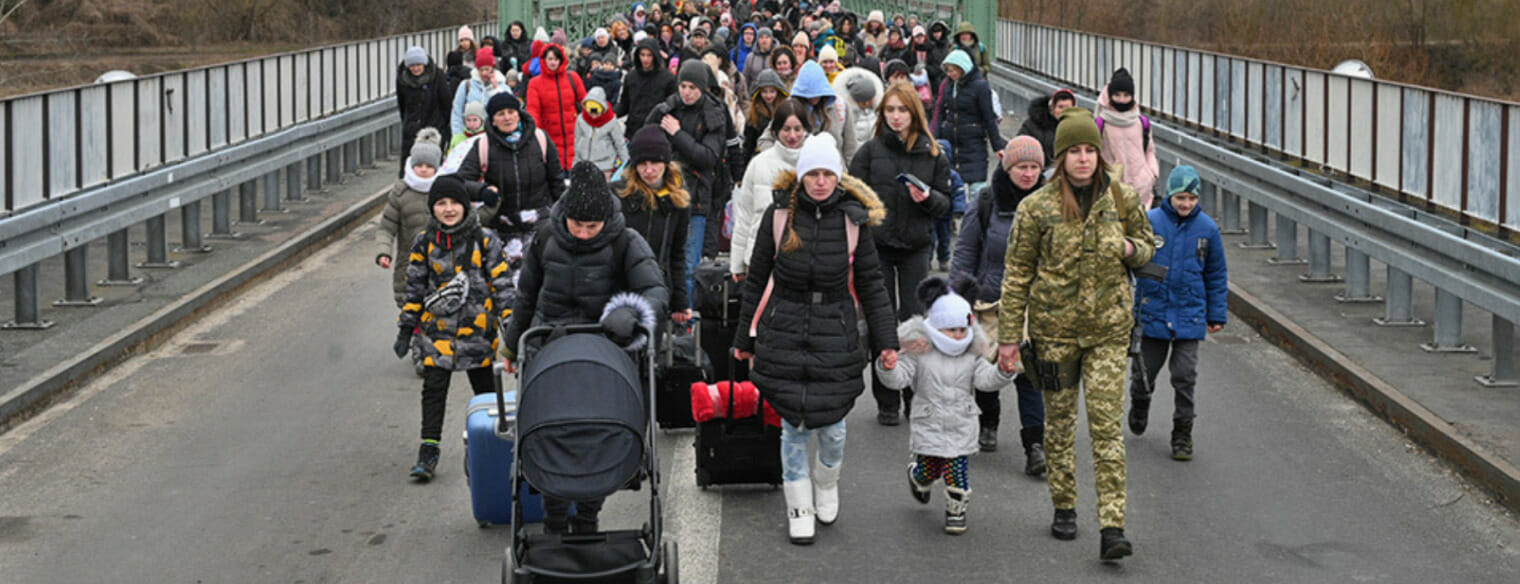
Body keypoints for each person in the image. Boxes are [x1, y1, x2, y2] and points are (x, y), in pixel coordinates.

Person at [995, 108, 1155, 560]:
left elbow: (1148, 249)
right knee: (1060, 427)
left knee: (1106, 430)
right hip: (1054, 333)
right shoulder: (1037, 208)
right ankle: (1065, 505)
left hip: (1107, 331)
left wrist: (1128, 247)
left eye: (1090, 150)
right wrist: (1009, 338)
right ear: (1060, 157)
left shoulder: (1120, 199)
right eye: (1074, 152)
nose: (1083, 159)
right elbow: (1017, 275)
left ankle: (1112, 526)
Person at [732, 133, 899, 546]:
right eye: (813, 174)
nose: (820, 182)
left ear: (838, 177)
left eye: (828, 174)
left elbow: (873, 283)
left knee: (834, 426)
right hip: (784, 328)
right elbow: (756, 280)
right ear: (802, 175)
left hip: (834, 331)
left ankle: (826, 481)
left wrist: (887, 342)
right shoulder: (778, 216)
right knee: (792, 425)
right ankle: (798, 503)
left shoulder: (853, 220)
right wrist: (743, 340)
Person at [501, 161, 669, 534]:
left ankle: (589, 513)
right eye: (577, 225)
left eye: (591, 227)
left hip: (606, 349)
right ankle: (555, 515)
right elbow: (526, 296)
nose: (582, 233)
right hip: (550, 347)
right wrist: (512, 347)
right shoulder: (546, 237)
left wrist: (630, 312)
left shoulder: (626, 241)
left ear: (605, 219)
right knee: (552, 431)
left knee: (598, 435)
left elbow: (656, 292)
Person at [393, 174, 512, 482]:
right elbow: (415, 288)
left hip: (477, 333)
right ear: (432, 208)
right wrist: (407, 327)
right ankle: (428, 450)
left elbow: (502, 286)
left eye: (454, 203)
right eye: (441, 204)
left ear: (465, 206)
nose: (448, 209)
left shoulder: (484, 239)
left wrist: (511, 328)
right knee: (433, 389)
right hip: (438, 334)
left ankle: (494, 446)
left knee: (486, 395)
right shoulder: (424, 242)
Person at [875, 277, 1016, 534]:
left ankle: (956, 509)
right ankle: (919, 476)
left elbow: (985, 380)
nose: (958, 335)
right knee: (931, 467)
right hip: (929, 419)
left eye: (962, 329)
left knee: (956, 467)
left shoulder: (972, 351)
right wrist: (888, 367)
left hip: (961, 420)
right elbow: (899, 379)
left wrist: (1003, 372)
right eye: (951, 330)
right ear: (937, 328)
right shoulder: (919, 350)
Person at [848, 82, 952, 426]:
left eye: (902, 110)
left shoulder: (933, 153)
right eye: (890, 110)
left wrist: (929, 199)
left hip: (916, 247)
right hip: (877, 247)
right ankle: (887, 398)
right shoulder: (869, 152)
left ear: (914, 113)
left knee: (913, 322)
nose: (896, 117)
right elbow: (852, 197)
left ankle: (914, 394)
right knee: (883, 322)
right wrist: (864, 219)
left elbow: (947, 205)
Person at [952, 136, 1048, 473]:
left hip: (1034, 305)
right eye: (1022, 166)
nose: (1028, 173)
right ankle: (989, 421)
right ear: (1008, 168)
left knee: (1029, 375)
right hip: (988, 300)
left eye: (1035, 167)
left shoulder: (1052, 204)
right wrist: (957, 299)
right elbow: (965, 251)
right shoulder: (986, 201)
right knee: (988, 369)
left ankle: (1035, 445)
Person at [1129, 165, 1228, 461]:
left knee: (1185, 376)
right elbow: (1134, 261)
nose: (1186, 204)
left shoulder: (1207, 230)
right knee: (1144, 373)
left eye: (1191, 199)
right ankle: (1140, 401)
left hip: (1189, 316)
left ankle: (1182, 432)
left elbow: (1216, 273)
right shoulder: (1150, 222)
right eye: (1180, 198)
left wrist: (1216, 314)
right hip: (1154, 314)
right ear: (1170, 195)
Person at [645, 60, 728, 300]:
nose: (687, 93)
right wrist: (661, 111)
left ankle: (687, 318)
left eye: (692, 87)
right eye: (683, 86)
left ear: (702, 88)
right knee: (658, 261)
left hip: (696, 197)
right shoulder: (669, 108)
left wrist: (677, 134)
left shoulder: (714, 113)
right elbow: (645, 137)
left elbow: (708, 157)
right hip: (664, 193)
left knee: (688, 265)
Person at [454, 93, 564, 244]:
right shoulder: (483, 145)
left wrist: (563, 215)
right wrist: (482, 191)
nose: (507, 117)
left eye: (511, 112)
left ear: (519, 114)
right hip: (502, 229)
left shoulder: (540, 139)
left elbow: (557, 180)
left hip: (541, 226)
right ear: (492, 120)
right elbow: (460, 182)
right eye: (500, 114)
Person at [612, 126, 694, 324]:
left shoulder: (678, 201)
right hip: (620, 288)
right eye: (642, 164)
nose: (648, 171)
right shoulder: (618, 195)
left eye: (655, 163)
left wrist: (680, 302)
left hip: (657, 289)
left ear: (665, 162)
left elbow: (677, 254)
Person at [732, 99, 810, 277]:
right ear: (775, 131)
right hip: (759, 257)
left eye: (797, 129)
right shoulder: (758, 164)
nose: (792, 136)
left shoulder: (818, 165)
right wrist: (737, 263)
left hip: (803, 260)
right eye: (786, 129)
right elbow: (745, 215)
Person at [932, 49, 1004, 186]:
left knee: (976, 186)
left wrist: (998, 146)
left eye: (953, 70)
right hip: (951, 142)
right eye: (947, 70)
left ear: (962, 68)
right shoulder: (947, 85)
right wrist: (934, 137)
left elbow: (989, 118)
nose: (950, 74)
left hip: (973, 144)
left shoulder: (980, 87)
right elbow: (939, 111)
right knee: (953, 187)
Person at [1096, 68, 1160, 208]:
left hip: (1142, 191)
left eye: (1126, 95)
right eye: (1117, 95)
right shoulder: (1101, 123)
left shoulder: (1142, 122)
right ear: (1110, 95)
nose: (1122, 100)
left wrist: (1152, 173)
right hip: (1111, 190)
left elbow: (1149, 150)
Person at [524, 44, 588, 171]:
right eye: (550, 59)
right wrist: (533, 132)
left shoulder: (573, 78)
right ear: (544, 60)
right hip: (549, 138)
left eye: (556, 59)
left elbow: (585, 103)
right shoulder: (535, 83)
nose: (553, 62)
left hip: (574, 136)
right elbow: (533, 110)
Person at [396, 47, 453, 177]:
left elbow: (446, 103)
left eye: (418, 65)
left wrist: (442, 127)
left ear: (424, 64)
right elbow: (402, 105)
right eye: (412, 65)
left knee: (431, 168)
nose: (415, 68)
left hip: (433, 129)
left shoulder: (437, 76)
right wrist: (408, 124)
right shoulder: (402, 79)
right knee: (409, 169)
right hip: (411, 130)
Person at [617, 37, 679, 141]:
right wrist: (610, 113)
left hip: (657, 131)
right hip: (633, 129)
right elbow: (625, 104)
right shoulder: (631, 76)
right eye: (642, 55)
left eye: (649, 55)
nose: (645, 59)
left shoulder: (668, 78)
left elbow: (672, 107)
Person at [831, 65, 883, 164]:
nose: (868, 103)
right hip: (856, 158)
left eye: (870, 99)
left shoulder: (877, 110)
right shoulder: (847, 114)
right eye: (864, 101)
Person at [451, 48, 509, 136]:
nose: (484, 73)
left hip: (495, 138)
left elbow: (508, 110)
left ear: (493, 68)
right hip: (469, 137)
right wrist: (458, 136)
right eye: (480, 70)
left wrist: (496, 88)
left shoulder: (503, 87)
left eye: (487, 69)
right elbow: (457, 113)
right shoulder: (466, 85)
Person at [574, 87, 629, 178]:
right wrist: (575, 166)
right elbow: (577, 142)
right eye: (590, 112)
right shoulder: (581, 119)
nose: (593, 116)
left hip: (605, 168)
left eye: (596, 112)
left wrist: (626, 167)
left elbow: (620, 144)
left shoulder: (611, 121)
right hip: (583, 166)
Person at [1017, 88, 1076, 167]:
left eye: (1068, 108)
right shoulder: (1032, 125)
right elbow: (1018, 148)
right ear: (1052, 108)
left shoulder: (1079, 128)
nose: (1064, 111)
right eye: (1060, 107)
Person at [743, 69, 790, 157]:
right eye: (764, 91)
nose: (768, 95)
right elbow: (748, 145)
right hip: (761, 156)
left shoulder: (786, 109)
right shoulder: (754, 114)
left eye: (772, 91)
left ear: (778, 91)